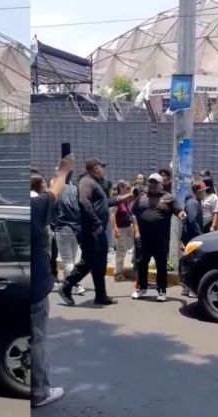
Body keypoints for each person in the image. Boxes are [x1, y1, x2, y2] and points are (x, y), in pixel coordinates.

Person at [59, 158, 131, 306]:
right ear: (94, 168)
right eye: (101, 167)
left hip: (98, 231)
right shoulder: (86, 181)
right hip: (91, 230)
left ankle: (101, 295)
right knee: (89, 262)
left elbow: (105, 203)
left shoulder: (95, 183)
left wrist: (122, 198)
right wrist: (96, 222)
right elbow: (84, 202)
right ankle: (66, 286)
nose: (103, 169)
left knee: (100, 263)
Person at [31, 156, 72, 408]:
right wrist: (64, 170)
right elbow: (55, 193)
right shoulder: (33, 208)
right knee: (36, 342)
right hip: (34, 290)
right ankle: (39, 392)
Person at [131, 174, 186, 302]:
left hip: (160, 239)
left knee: (161, 265)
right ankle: (142, 288)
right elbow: (133, 214)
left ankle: (161, 290)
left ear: (161, 184)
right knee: (142, 263)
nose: (153, 185)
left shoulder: (168, 198)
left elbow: (178, 210)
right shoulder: (142, 196)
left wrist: (181, 214)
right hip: (144, 238)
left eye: (156, 182)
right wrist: (136, 231)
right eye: (151, 182)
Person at [52, 172, 84, 295]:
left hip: (62, 228)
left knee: (67, 260)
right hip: (75, 229)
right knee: (72, 258)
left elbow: (53, 208)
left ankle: (74, 285)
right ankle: (68, 284)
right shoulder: (75, 190)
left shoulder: (57, 190)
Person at [180, 180, 205, 298]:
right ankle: (191, 289)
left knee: (189, 261)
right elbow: (191, 220)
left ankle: (186, 287)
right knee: (193, 262)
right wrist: (200, 234)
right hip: (192, 237)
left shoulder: (192, 201)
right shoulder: (193, 203)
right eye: (203, 191)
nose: (205, 193)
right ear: (197, 191)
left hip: (189, 236)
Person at [111, 180, 138, 282]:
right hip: (121, 229)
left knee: (137, 243)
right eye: (127, 188)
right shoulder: (117, 201)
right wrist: (116, 229)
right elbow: (112, 215)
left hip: (128, 227)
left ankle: (134, 261)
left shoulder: (127, 200)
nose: (129, 190)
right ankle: (117, 273)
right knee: (121, 251)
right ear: (121, 188)